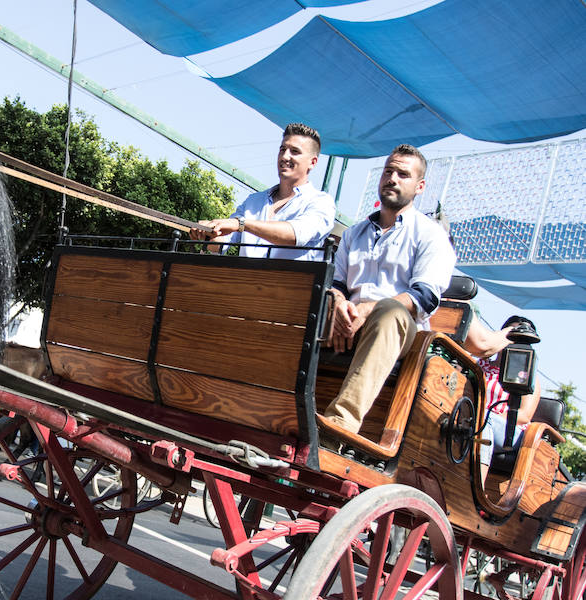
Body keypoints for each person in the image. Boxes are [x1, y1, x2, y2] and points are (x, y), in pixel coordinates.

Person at [321, 144, 456, 441]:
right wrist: (339, 304)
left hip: (400, 331)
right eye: (388, 171)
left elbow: (424, 296)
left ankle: (339, 426)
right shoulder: (354, 234)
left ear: (420, 186)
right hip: (348, 320)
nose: (392, 178)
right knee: (310, 299)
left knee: (388, 312)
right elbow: (338, 283)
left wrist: (366, 309)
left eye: (403, 174)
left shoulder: (430, 234)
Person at [188, 123, 335, 260]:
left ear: (312, 162)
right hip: (242, 284)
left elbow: (295, 235)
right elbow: (221, 244)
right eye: (282, 149)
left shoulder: (321, 203)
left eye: (295, 152)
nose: (285, 156)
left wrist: (242, 224)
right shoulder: (253, 201)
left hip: (290, 286)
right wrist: (208, 234)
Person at [464, 315, 542, 473]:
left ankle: (477, 487)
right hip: (470, 416)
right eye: (511, 335)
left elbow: (524, 415)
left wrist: (485, 414)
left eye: (520, 338)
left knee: (484, 422)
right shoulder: (479, 365)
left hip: (508, 428)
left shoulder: (527, 375)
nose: (513, 341)